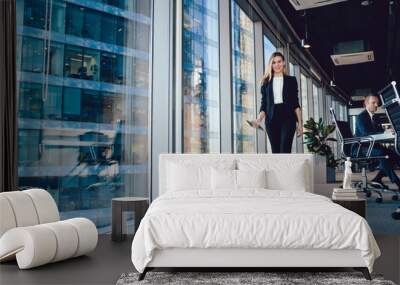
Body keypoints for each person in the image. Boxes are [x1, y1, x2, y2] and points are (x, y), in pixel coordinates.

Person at [251, 52, 303, 153]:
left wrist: (300, 124)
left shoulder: (291, 80)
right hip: (271, 120)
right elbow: (264, 105)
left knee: (285, 150)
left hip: (288, 118)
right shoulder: (266, 82)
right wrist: (258, 120)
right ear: (271, 65)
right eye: (274, 62)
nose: (277, 65)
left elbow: (296, 104)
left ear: (283, 63)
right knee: (275, 152)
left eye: (279, 62)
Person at [355, 94, 400, 191]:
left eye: (377, 103)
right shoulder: (361, 117)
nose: (376, 105)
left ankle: (377, 179)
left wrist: (388, 131)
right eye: (373, 103)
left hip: (372, 146)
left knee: (394, 154)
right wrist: (384, 132)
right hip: (361, 148)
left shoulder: (375, 118)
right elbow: (365, 134)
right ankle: (396, 181)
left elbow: (379, 133)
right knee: (382, 153)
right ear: (366, 104)